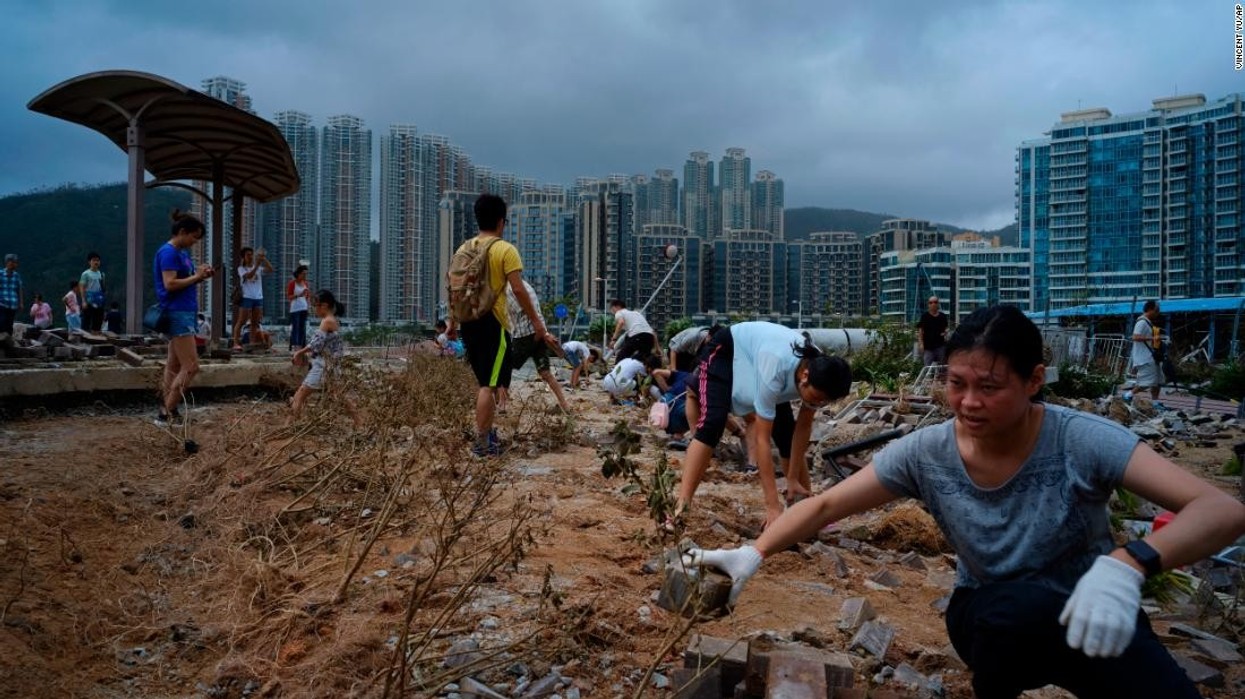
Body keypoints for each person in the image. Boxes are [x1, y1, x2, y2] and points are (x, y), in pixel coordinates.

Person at [686, 305, 1245, 699]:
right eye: (957, 384)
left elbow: (1222, 510)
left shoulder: (1080, 439)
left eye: (990, 387)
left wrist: (1129, 565)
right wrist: (753, 554)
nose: (969, 403)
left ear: (1034, 381)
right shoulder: (928, 452)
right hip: (991, 617)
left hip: (1099, 607)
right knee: (1013, 613)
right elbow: (828, 506)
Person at [673, 322, 852, 530]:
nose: (818, 404)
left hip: (767, 361)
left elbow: (802, 429)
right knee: (712, 424)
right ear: (805, 378)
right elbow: (762, 440)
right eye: (818, 398)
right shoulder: (775, 365)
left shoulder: (821, 369)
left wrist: (792, 479)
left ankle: (807, 509)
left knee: (786, 433)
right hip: (727, 349)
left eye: (824, 402)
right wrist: (772, 506)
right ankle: (681, 507)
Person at [448, 194, 550, 457]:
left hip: (469, 324)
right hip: (493, 323)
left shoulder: (463, 249)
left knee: (486, 381)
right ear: (501, 221)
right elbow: (518, 289)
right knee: (488, 385)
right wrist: (537, 323)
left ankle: (487, 433)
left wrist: (452, 324)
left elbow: (455, 291)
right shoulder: (505, 249)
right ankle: (481, 443)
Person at [153, 210, 214, 427]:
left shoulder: (180, 253)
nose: (194, 242)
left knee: (174, 364)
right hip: (177, 312)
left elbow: (184, 280)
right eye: (193, 237)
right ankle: (165, 413)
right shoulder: (168, 253)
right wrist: (197, 276)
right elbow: (169, 284)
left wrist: (200, 275)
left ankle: (168, 408)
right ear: (182, 232)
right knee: (191, 366)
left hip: (184, 311)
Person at [497, 280, 571, 414]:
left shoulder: (509, 289)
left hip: (524, 333)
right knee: (545, 373)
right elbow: (536, 311)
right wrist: (545, 333)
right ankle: (565, 405)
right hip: (539, 332)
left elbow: (517, 313)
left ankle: (502, 405)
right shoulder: (526, 285)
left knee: (503, 367)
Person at [290, 289, 360, 427]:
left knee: (300, 395)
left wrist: (299, 352)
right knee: (340, 396)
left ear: (324, 305)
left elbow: (316, 344)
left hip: (323, 366)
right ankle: (359, 422)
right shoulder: (332, 320)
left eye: (316, 305)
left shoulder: (326, 322)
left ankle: (290, 425)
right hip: (330, 365)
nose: (314, 309)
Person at [232, 246, 274, 351]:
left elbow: (270, 269)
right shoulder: (241, 269)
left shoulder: (258, 267)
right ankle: (236, 343)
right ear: (244, 257)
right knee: (241, 321)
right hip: (247, 297)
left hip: (258, 297)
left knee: (255, 322)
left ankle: (252, 342)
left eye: (252, 254)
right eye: (248, 255)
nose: (250, 257)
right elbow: (249, 276)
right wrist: (256, 266)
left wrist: (263, 259)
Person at [1130, 300, 1164, 401]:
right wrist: (1152, 339)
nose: (1158, 313)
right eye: (1156, 310)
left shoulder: (1148, 323)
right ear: (1150, 309)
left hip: (1151, 357)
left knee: (1158, 381)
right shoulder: (1142, 322)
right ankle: (1128, 395)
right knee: (1147, 382)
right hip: (1145, 358)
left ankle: (1155, 402)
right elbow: (1135, 337)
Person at [917, 295, 949, 366]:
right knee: (927, 368)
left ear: (938, 304)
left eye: (935, 302)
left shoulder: (942, 316)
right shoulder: (924, 316)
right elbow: (920, 332)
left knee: (942, 368)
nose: (933, 304)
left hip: (940, 346)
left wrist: (945, 333)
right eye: (930, 302)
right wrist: (921, 344)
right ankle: (929, 377)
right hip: (928, 348)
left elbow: (946, 328)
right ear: (928, 304)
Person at [79, 252, 106, 332]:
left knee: (98, 320)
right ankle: (84, 337)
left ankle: (96, 336)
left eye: (98, 260)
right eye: (94, 260)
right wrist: (83, 300)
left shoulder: (101, 274)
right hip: (89, 299)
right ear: (89, 262)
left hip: (99, 300)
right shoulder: (86, 274)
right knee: (86, 319)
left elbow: (103, 288)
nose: (96, 262)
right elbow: (82, 287)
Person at [287, 265, 311, 351]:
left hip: (303, 308)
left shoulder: (306, 283)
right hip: (295, 309)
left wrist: (308, 307)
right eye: (303, 274)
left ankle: (302, 345)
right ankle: (295, 346)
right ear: (298, 274)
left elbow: (307, 297)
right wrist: (299, 295)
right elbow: (289, 297)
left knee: (302, 328)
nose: (305, 276)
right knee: (296, 327)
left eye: (306, 274)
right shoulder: (292, 283)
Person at [0, 254, 23, 337]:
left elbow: (19, 289)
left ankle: (7, 344)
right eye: (14, 262)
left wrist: (21, 303)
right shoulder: (1, 274)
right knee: (2, 322)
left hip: (12, 304)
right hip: (2, 302)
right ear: (8, 263)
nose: (15, 264)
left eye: (16, 262)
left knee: (9, 325)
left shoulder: (16, 275)